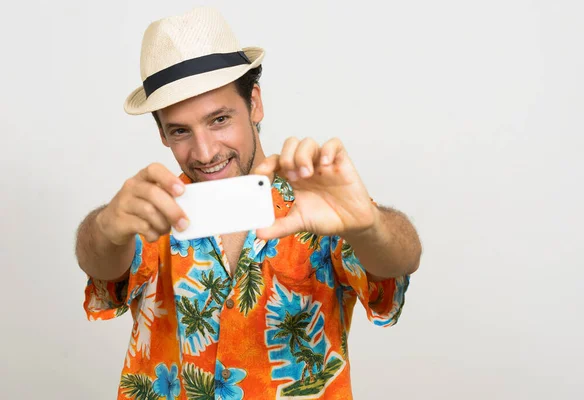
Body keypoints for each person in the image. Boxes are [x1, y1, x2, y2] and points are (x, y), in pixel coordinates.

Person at [75, 7, 421, 400]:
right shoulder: (153, 209)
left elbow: (400, 261)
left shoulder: (319, 199)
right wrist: (105, 228)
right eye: (180, 131)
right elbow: (103, 266)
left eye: (219, 119)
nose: (204, 152)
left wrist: (368, 225)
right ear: (161, 134)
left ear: (254, 103)